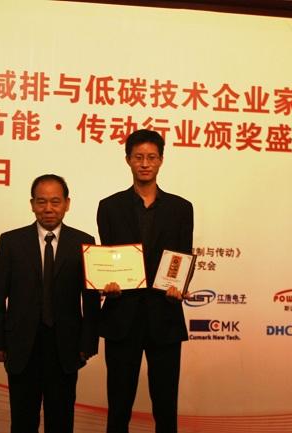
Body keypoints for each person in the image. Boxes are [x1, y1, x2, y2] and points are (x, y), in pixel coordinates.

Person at [97, 129, 194, 433]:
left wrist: (179, 286)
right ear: (128, 160)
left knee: (165, 406)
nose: (145, 163)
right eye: (138, 157)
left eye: (151, 157)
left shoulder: (181, 208)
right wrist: (108, 284)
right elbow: (109, 258)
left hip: (164, 314)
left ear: (161, 160)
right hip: (121, 315)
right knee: (118, 406)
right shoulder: (109, 206)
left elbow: (182, 256)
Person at [0, 174, 100, 433]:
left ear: (67, 204)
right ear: (32, 204)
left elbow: (91, 299)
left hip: (65, 347)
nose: (48, 208)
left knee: (61, 421)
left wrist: (88, 343)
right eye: (41, 202)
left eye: (55, 201)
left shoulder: (83, 242)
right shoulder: (11, 241)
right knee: (22, 421)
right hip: (21, 346)